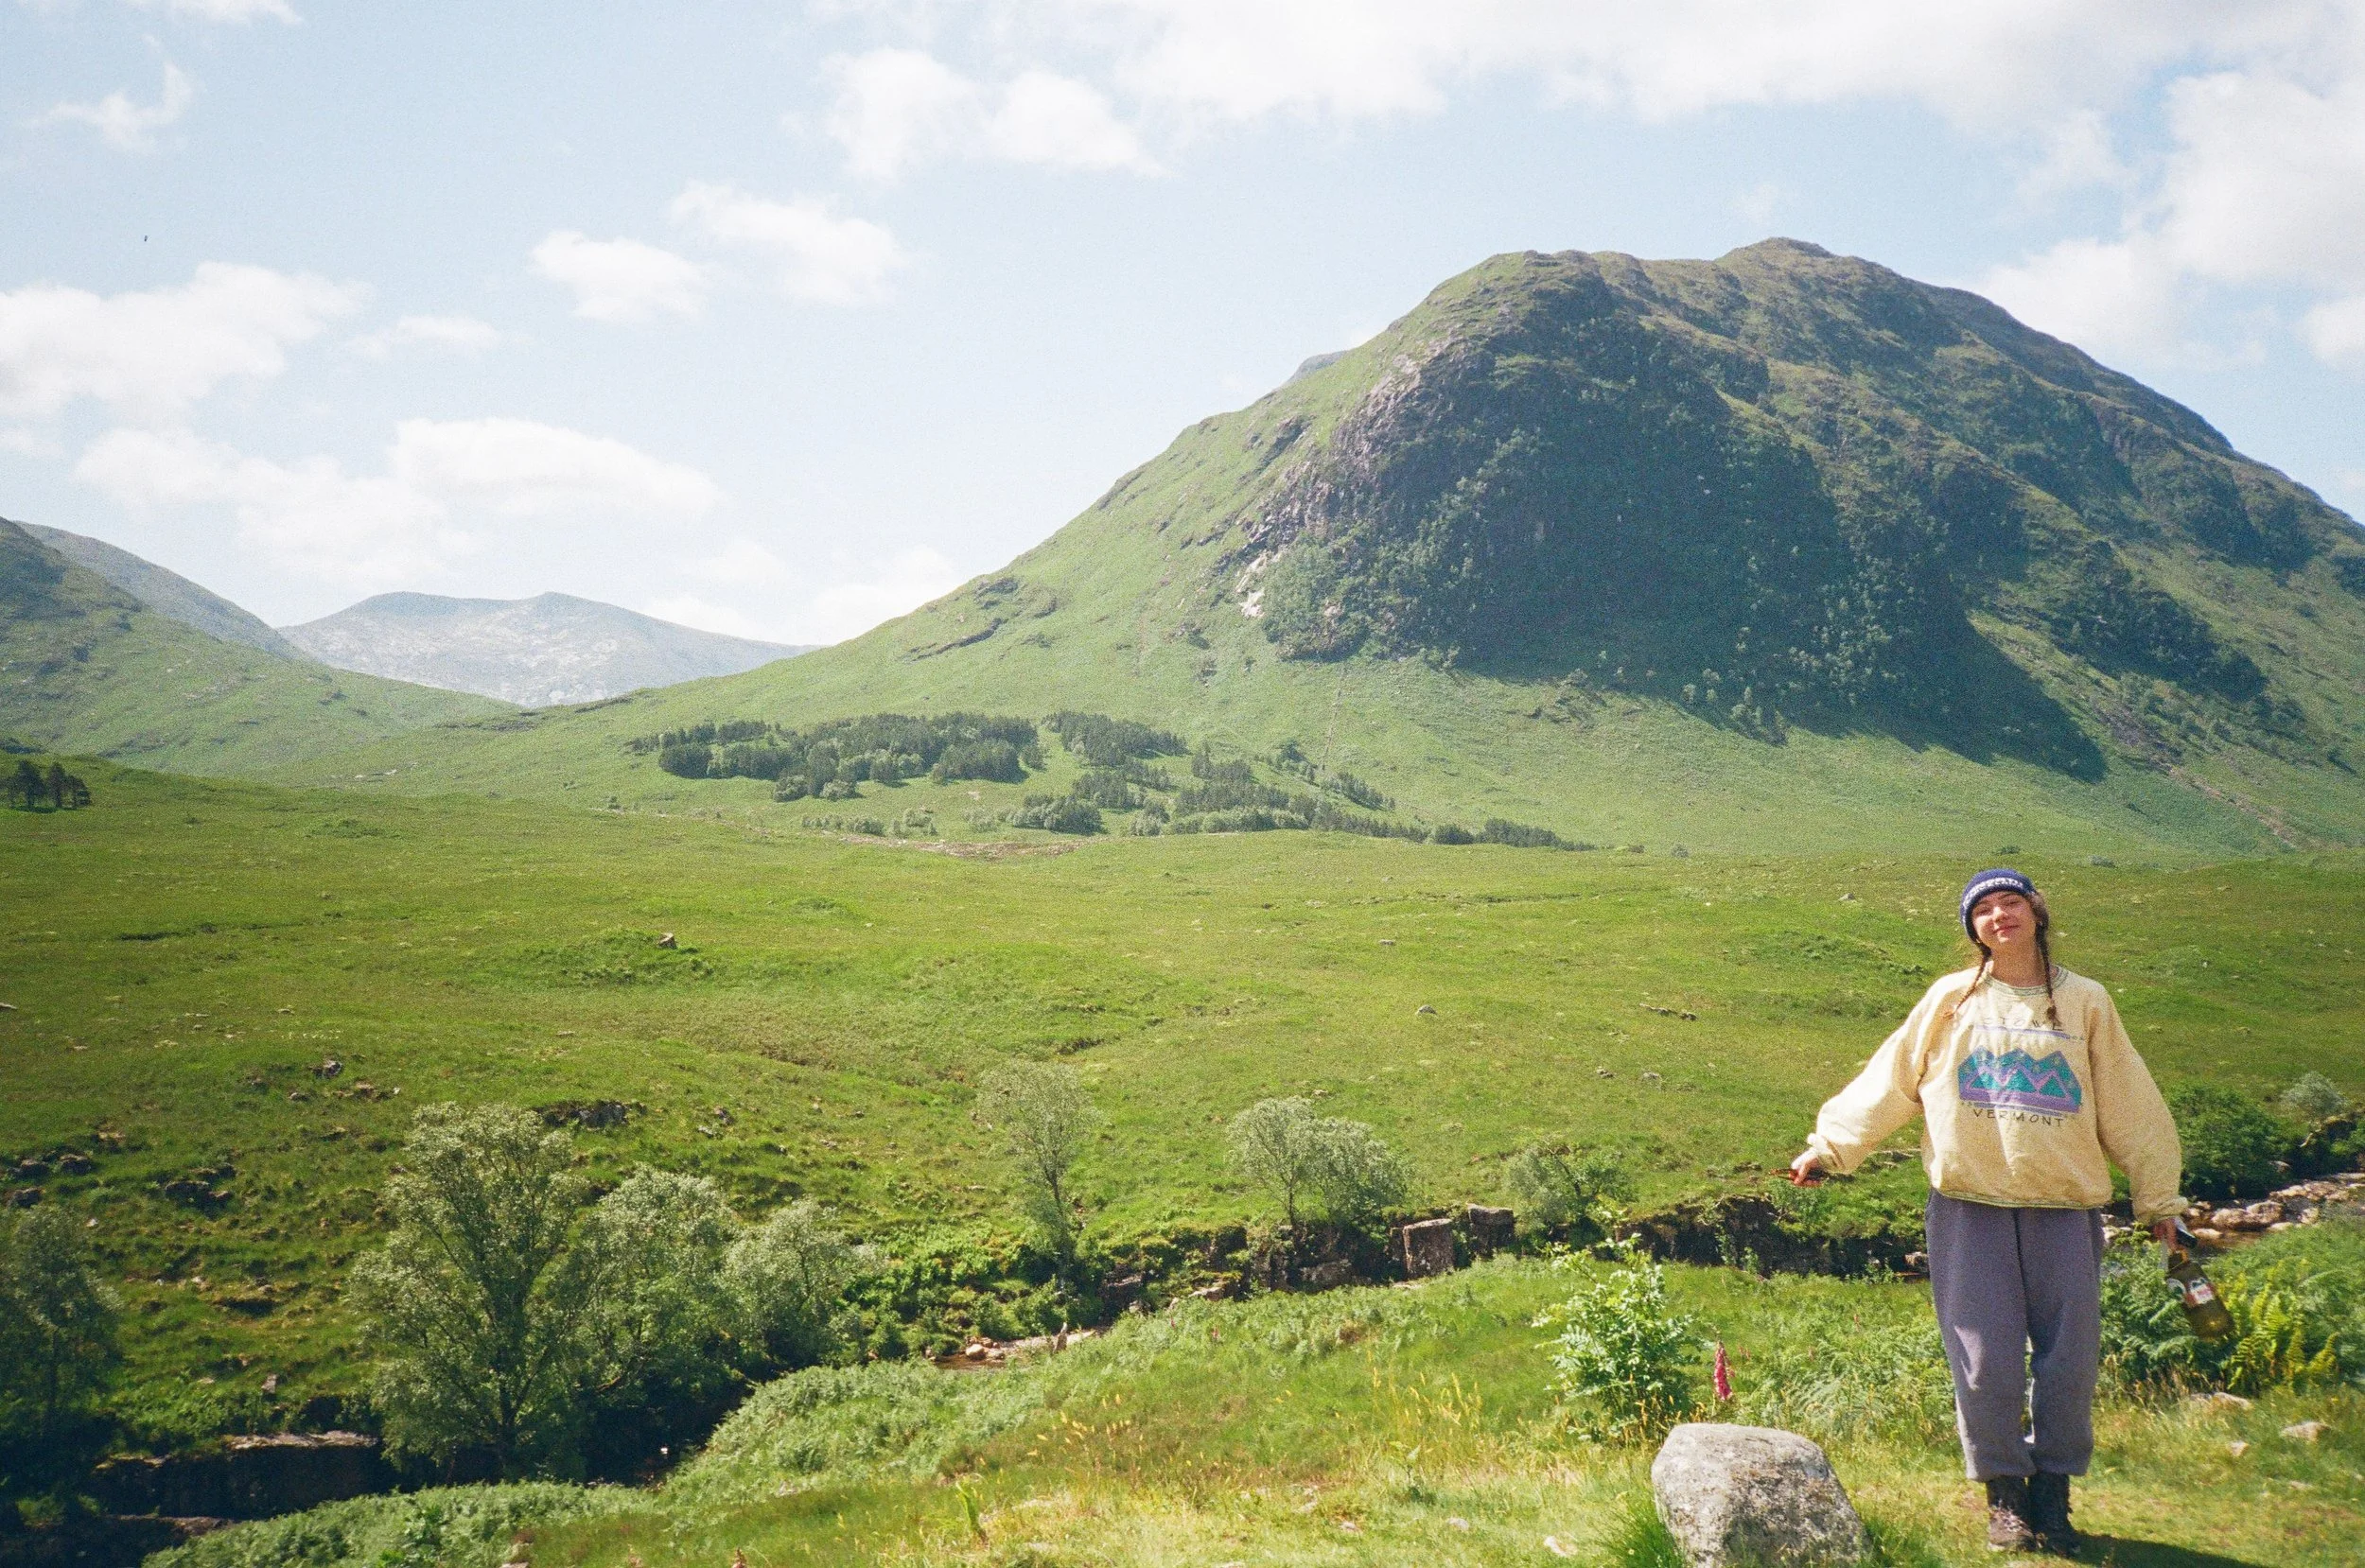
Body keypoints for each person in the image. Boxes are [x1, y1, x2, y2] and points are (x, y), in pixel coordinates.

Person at [1787, 869, 2183, 1556]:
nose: (2000, 916)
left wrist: (2159, 1200)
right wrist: (1829, 1148)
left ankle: (2054, 1493)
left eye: (2012, 903)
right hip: (1969, 1205)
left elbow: (2131, 1103)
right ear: (1973, 927)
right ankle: (2005, 1495)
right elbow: (1892, 1076)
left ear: (2036, 913)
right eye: (1984, 909)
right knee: (1982, 1362)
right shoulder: (1951, 998)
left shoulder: (2086, 1002)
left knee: (2069, 1361)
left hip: (2066, 1206)